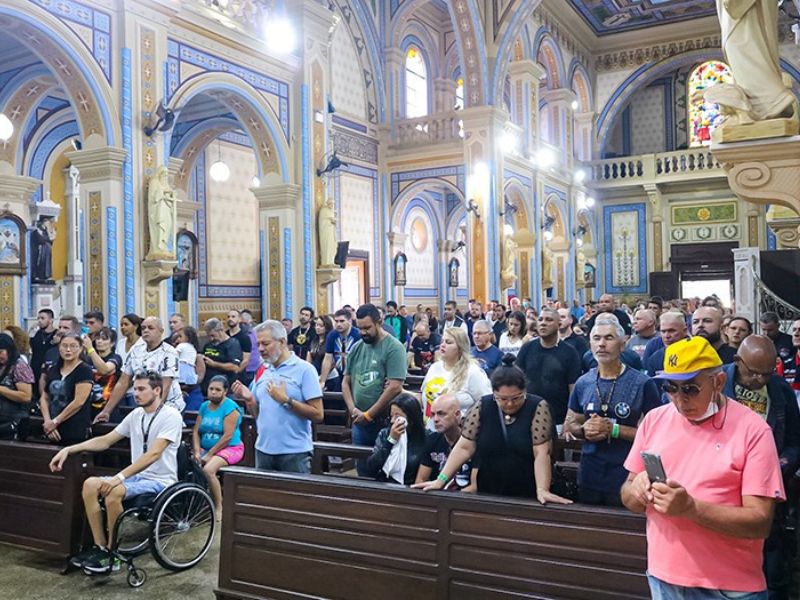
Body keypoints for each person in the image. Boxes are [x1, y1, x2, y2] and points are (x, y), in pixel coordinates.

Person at [621, 337, 785, 599]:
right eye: (670, 387)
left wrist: (691, 508)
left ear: (718, 382)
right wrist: (637, 489)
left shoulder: (753, 431)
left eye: (691, 389)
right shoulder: (654, 420)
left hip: (728, 588)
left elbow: (760, 522)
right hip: (665, 578)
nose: (679, 399)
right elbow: (628, 493)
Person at [50, 371, 184, 573]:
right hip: (137, 477)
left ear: (157, 390)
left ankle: (115, 553)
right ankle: (101, 547)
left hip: (161, 480)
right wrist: (69, 449)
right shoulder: (136, 415)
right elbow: (106, 440)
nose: (136, 393)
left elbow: (154, 454)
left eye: (141, 389)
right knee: (90, 484)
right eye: (135, 388)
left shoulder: (170, 415)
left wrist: (119, 477)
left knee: (114, 490)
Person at [414, 355, 571, 504]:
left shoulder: (537, 407)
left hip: (528, 490)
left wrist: (542, 489)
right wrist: (441, 480)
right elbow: (464, 447)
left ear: (524, 391)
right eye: (502, 399)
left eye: (516, 398)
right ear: (494, 393)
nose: (509, 404)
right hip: (488, 489)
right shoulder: (483, 406)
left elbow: (541, 452)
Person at [724, 335, 800, 599]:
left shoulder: (780, 389)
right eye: (752, 373)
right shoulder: (718, 384)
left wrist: (783, 463)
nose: (758, 380)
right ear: (737, 362)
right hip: (726, 491)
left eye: (765, 374)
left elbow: (794, 441)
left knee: (773, 563)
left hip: (768, 491)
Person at [564, 318, 661, 506]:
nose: (601, 344)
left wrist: (614, 430)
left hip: (626, 473)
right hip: (590, 472)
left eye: (609, 338)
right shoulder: (583, 382)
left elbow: (655, 435)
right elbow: (570, 423)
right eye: (596, 338)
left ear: (622, 344)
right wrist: (584, 429)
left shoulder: (642, 383)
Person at [232, 320, 323, 473]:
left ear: (282, 342)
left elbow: (318, 414)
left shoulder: (305, 370)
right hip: (263, 450)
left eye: (265, 344)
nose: (260, 349)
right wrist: (250, 401)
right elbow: (258, 415)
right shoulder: (262, 370)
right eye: (258, 344)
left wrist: (286, 401)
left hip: (294, 452)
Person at [343, 304, 407, 458]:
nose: (363, 332)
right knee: (362, 468)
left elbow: (394, 387)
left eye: (367, 328)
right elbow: (346, 382)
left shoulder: (394, 348)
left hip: (383, 420)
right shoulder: (357, 347)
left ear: (379, 322)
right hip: (358, 419)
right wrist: (354, 411)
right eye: (360, 328)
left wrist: (369, 415)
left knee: (384, 467)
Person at [95, 317, 185, 423]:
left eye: (150, 328)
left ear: (161, 331)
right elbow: (123, 382)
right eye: (143, 328)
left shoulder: (169, 352)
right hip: (144, 406)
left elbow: (165, 385)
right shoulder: (136, 350)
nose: (146, 330)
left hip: (170, 406)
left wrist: (154, 414)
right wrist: (106, 411)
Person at [515, 307, 581, 425]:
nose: (543, 323)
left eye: (549, 320)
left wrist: (569, 420)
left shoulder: (570, 353)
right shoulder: (527, 349)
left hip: (558, 420)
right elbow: (516, 381)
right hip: (528, 417)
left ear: (559, 324)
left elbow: (574, 390)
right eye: (540, 319)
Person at [192, 375, 244, 520]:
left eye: (217, 390)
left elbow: (228, 436)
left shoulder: (230, 408)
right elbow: (196, 431)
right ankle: (197, 503)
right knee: (189, 464)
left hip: (230, 448)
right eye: (211, 389)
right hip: (206, 448)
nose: (213, 392)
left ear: (225, 391)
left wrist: (210, 454)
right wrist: (197, 451)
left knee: (208, 469)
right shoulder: (204, 406)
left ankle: (219, 507)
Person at [421, 327, 491, 422]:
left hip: (460, 432)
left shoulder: (473, 372)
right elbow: (423, 396)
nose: (443, 345)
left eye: (449, 342)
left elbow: (488, 404)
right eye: (442, 341)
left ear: (460, 348)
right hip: (430, 429)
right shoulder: (434, 367)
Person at [363, 393, 428, 485]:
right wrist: (391, 440)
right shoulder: (385, 434)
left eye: (397, 416)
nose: (392, 421)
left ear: (411, 418)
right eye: (391, 416)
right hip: (384, 485)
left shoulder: (426, 438)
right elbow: (371, 468)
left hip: (410, 488)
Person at [40, 333, 93, 444]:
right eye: (64, 346)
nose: (68, 350)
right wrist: (47, 421)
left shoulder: (84, 370)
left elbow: (79, 402)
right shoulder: (53, 369)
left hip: (75, 428)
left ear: (81, 348)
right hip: (52, 428)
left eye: (73, 346)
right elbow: (44, 397)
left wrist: (56, 421)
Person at [415, 393, 475, 491]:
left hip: (465, 499)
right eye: (433, 414)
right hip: (436, 496)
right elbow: (421, 479)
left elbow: (475, 487)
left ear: (457, 414)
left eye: (441, 414)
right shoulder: (432, 440)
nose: (436, 419)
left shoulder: (470, 442)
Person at [83, 327, 123, 420]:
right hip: (88, 407)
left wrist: (90, 349)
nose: (99, 341)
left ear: (112, 343)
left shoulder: (116, 358)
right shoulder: (88, 359)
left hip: (108, 407)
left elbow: (104, 369)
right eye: (97, 338)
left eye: (104, 339)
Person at [0, 333, 34, 439]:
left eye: (1, 352)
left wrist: (2, 390)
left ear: (9, 350)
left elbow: (26, 396)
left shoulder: (20, 366)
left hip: (15, 421)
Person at [318, 308, 361, 392]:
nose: (338, 324)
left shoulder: (358, 335)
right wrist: (322, 381)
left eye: (342, 321)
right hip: (339, 373)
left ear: (350, 321)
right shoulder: (332, 335)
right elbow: (327, 359)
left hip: (356, 375)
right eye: (336, 321)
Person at [201, 318, 242, 393]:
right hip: (207, 387)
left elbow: (234, 367)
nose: (211, 339)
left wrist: (214, 364)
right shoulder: (208, 345)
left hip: (225, 389)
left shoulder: (233, 344)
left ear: (221, 331)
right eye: (209, 336)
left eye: (213, 335)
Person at [644, 311, 690, 377]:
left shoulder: (697, 352)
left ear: (685, 330)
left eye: (671, 331)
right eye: (663, 331)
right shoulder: (655, 358)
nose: (667, 336)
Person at [173, 326, 204, 411]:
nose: (177, 340)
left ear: (188, 337)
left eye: (180, 337)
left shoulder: (184, 348)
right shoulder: (191, 349)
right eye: (176, 338)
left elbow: (173, 357)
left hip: (192, 392)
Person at [306, 315, 338, 391]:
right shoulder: (314, 341)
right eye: (316, 325)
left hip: (330, 378)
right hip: (316, 376)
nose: (317, 328)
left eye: (321, 326)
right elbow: (308, 360)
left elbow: (332, 362)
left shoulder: (330, 341)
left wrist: (322, 378)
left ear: (327, 327)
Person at [30, 308, 56, 400]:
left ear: (51, 320)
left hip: (50, 370)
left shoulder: (56, 335)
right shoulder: (37, 334)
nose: (39, 321)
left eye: (42, 318)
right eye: (38, 318)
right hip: (35, 368)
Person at [761, 312, 795, 381]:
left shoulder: (790, 341)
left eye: (770, 330)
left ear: (778, 325)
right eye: (764, 330)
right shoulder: (758, 342)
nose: (766, 333)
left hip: (787, 378)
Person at [226, 310, 253, 384]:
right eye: (228, 317)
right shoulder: (225, 335)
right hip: (225, 373)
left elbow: (246, 359)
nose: (230, 319)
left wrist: (237, 370)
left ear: (239, 319)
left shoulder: (245, 337)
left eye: (233, 317)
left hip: (239, 376)